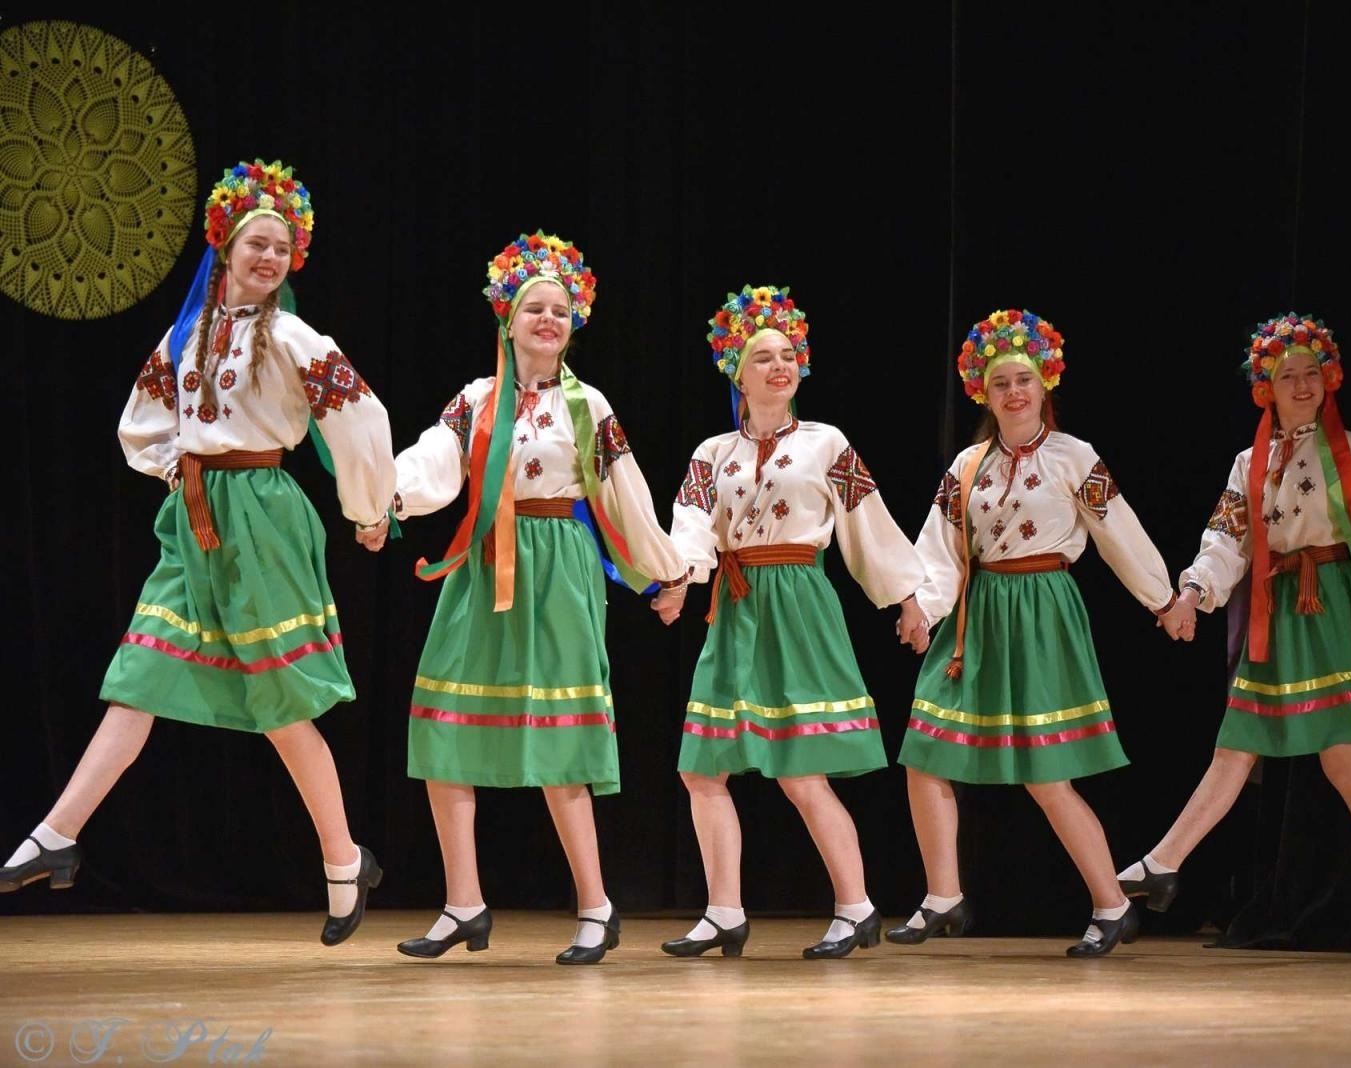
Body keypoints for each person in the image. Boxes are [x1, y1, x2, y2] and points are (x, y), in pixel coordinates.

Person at [0, 160, 395, 946]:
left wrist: (368, 506)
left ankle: (345, 861)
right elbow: (142, 420)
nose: (269, 258)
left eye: (281, 248)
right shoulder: (187, 335)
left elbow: (362, 416)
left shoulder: (291, 335)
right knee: (140, 675)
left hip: (263, 518)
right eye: (256, 243)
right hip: (197, 515)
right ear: (225, 247)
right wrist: (181, 471)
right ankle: (58, 832)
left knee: (282, 705)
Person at [391, 231, 687, 965]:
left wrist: (667, 570)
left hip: (558, 567)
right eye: (534, 309)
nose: (547, 320)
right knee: (446, 732)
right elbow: (434, 461)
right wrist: (385, 498)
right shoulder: (476, 399)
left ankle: (596, 906)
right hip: (482, 564)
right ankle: (462, 903)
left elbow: (626, 493)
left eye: (559, 310)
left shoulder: (588, 406)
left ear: (573, 324)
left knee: (559, 740)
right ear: (508, 320)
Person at [1118, 312, 1351, 958]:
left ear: (1328, 380)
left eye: (1309, 374)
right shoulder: (1251, 461)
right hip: (1278, 616)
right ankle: (1166, 861)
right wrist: (1193, 593)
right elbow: (1227, 539)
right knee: (1239, 746)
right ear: (1265, 388)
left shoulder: (1348, 450)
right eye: (1285, 376)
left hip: (1330, 614)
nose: (1299, 385)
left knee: (1345, 766)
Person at [889, 309, 1180, 957]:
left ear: (1045, 384)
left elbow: (1119, 531)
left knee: (1045, 774)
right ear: (983, 394)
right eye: (1001, 384)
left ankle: (1110, 905)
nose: (1014, 392)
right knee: (925, 751)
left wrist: (1163, 598)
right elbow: (940, 546)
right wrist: (920, 605)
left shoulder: (1076, 458)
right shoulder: (968, 464)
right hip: (980, 610)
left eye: (1025, 379)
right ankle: (944, 895)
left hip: (1043, 610)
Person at [656, 284, 925, 959]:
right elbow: (691, 527)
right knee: (703, 767)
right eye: (763, 357)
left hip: (799, 601)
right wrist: (681, 580)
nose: (779, 366)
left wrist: (908, 599)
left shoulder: (827, 444)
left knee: (801, 769)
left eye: (788, 355)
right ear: (737, 373)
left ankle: (857, 906)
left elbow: (870, 526)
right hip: (738, 604)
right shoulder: (711, 453)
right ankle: (723, 910)